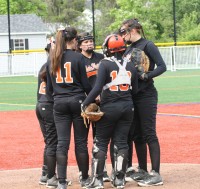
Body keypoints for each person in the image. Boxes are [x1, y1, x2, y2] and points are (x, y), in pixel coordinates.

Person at [81, 34, 138, 189]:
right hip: (128, 107)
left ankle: (98, 180)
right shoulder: (131, 65)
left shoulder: (105, 64)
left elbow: (97, 88)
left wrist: (85, 103)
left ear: (109, 49)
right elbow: (136, 90)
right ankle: (119, 179)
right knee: (121, 143)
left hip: (110, 108)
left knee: (100, 142)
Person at [119, 18, 167, 186]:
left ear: (133, 30)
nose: (122, 34)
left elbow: (162, 66)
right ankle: (143, 169)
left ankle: (156, 174)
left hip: (146, 95)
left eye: (124, 31)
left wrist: (147, 75)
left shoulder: (148, 45)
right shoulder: (128, 48)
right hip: (132, 95)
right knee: (137, 135)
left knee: (149, 133)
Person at [46, 27, 92, 189]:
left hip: (59, 102)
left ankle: (62, 182)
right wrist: (93, 99)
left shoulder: (52, 57)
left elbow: (49, 89)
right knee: (81, 143)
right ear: (74, 41)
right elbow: (86, 85)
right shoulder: (78, 57)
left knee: (62, 144)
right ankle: (85, 179)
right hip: (77, 100)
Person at [36, 43, 72, 188]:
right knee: (53, 143)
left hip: (41, 105)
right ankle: (50, 178)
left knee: (50, 142)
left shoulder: (46, 65)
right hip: (49, 105)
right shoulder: (53, 65)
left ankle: (46, 174)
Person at [77, 32, 110, 182]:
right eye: (86, 42)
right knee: (82, 139)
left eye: (91, 41)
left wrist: (102, 95)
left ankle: (101, 170)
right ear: (79, 45)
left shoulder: (101, 58)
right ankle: (83, 171)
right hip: (85, 102)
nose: (89, 44)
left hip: (101, 102)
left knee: (99, 138)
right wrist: (89, 97)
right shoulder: (78, 59)